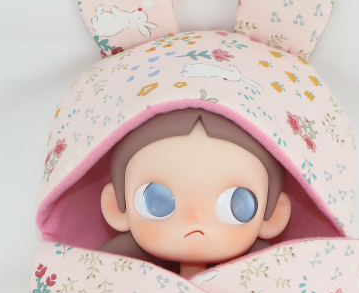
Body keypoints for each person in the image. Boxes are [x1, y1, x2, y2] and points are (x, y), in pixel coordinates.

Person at [98, 108, 292, 279]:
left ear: (274, 216)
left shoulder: (269, 272)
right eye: (158, 200)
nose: (194, 217)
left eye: (235, 203)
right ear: (115, 207)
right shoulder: (112, 267)